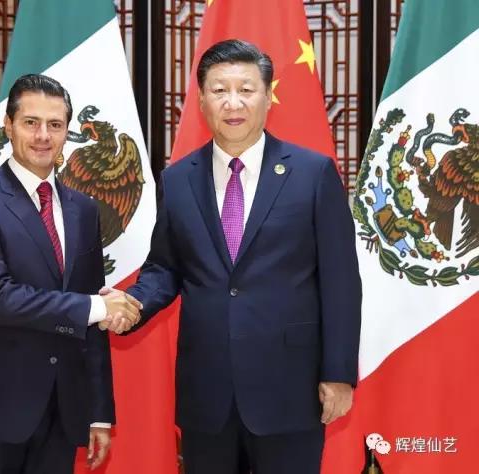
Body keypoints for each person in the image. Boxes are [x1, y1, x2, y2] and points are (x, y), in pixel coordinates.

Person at [101, 39, 362, 473]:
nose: (233, 102)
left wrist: (338, 372)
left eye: (246, 89)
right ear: (202, 99)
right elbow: (165, 267)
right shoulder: (178, 179)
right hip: (208, 391)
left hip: (290, 388)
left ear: (268, 96)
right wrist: (133, 303)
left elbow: (341, 281)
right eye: (219, 90)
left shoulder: (313, 173)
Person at [0, 74, 141, 474]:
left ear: (67, 131)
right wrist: (97, 307)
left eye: (55, 124)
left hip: (61, 413)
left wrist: (98, 412)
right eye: (31, 122)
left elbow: (91, 313)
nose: (43, 136)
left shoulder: (84, 210)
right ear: (8, 125)